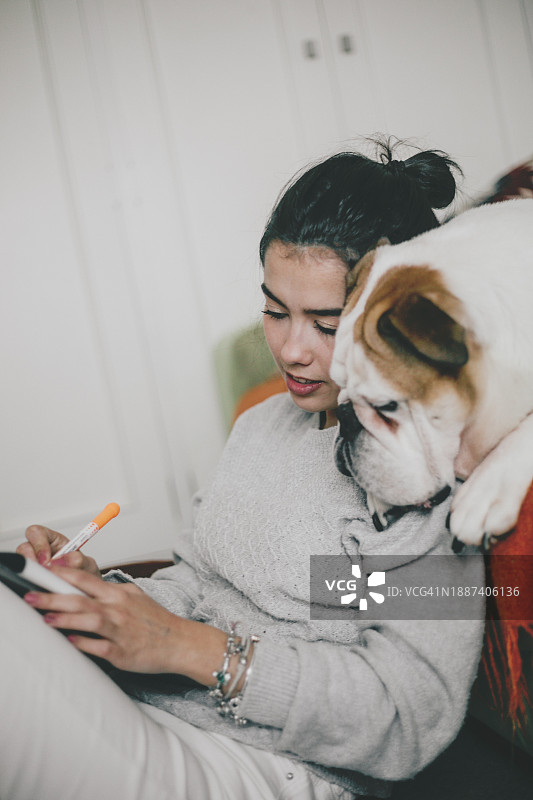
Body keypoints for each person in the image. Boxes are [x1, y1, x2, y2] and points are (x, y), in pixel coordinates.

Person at [2, 140, 485, 800]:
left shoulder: (417, 476)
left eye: (324, 322)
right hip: (160, 715)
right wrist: (107, 601)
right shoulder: (265, 425)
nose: (290, 350)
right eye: (274, 310)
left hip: (275, 771)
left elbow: (402, 714)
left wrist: (185, 648)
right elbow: (200, 579)